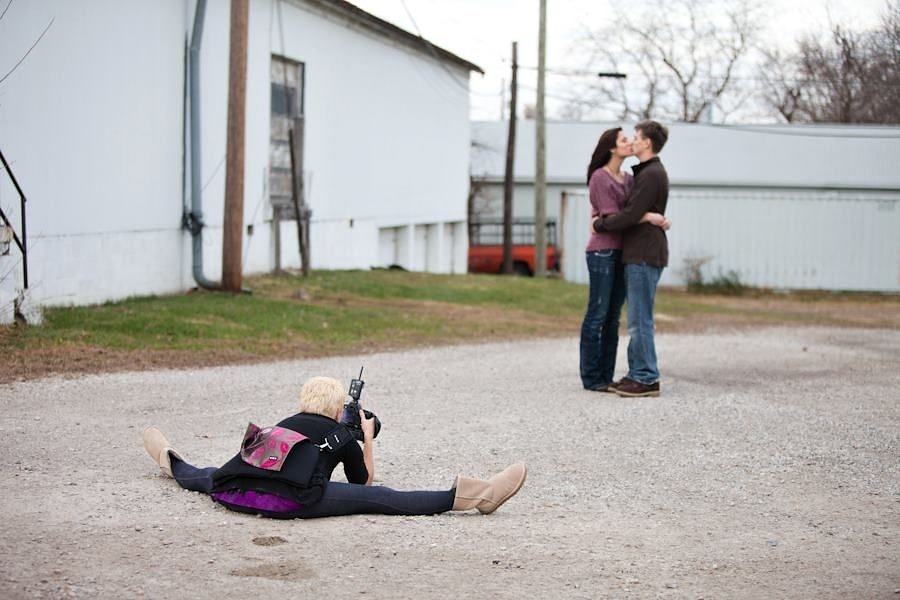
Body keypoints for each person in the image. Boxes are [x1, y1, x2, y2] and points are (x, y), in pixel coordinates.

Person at [142, 376, 526, 518]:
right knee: (385, 500)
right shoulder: (343, 436)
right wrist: (367, 439)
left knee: (203, 475)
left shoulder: (283, 425)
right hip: (292, 500)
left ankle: (166, 457)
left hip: (235, 491)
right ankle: (477, 496)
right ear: (338, 409)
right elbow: (366, 484)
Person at [580, 126, 669, 392]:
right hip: (603, 250)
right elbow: (616, 216)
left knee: (614, 316)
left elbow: (629, 212)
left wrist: (647, 216)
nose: (630, 142)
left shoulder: (631, 178)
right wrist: (649, 217)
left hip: (625, 251)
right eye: (624, 139)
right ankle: (592, 376)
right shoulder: (600, 177)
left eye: (634, 138)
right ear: (611, 147)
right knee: (598, 314)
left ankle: (607, 376)